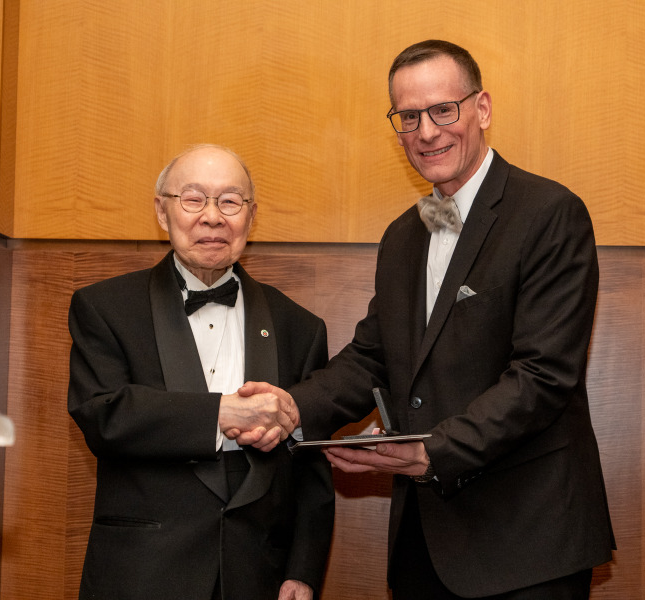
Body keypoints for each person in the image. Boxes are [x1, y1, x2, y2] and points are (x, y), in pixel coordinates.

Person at [243, 40, 615, 599]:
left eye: (444, 110)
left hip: (528, 541)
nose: (427, 132)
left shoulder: (547, 213)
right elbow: (374, 354)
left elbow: (543, 376)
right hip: (425, 546)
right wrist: (295, 407)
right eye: (409, 117)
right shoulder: (404, 235)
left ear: (481, 109)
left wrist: (429, 452)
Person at [67, 144, 334, 600]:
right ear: (162, 211)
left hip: (258, 577)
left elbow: (309, 465)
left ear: (250, 217)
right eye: (193, 199)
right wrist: (221, 414)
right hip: (142, 576)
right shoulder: (105, 308)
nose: (213, 217)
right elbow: (103, 415)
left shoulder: (300, 327)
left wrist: (303, 570)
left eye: (230, 201)